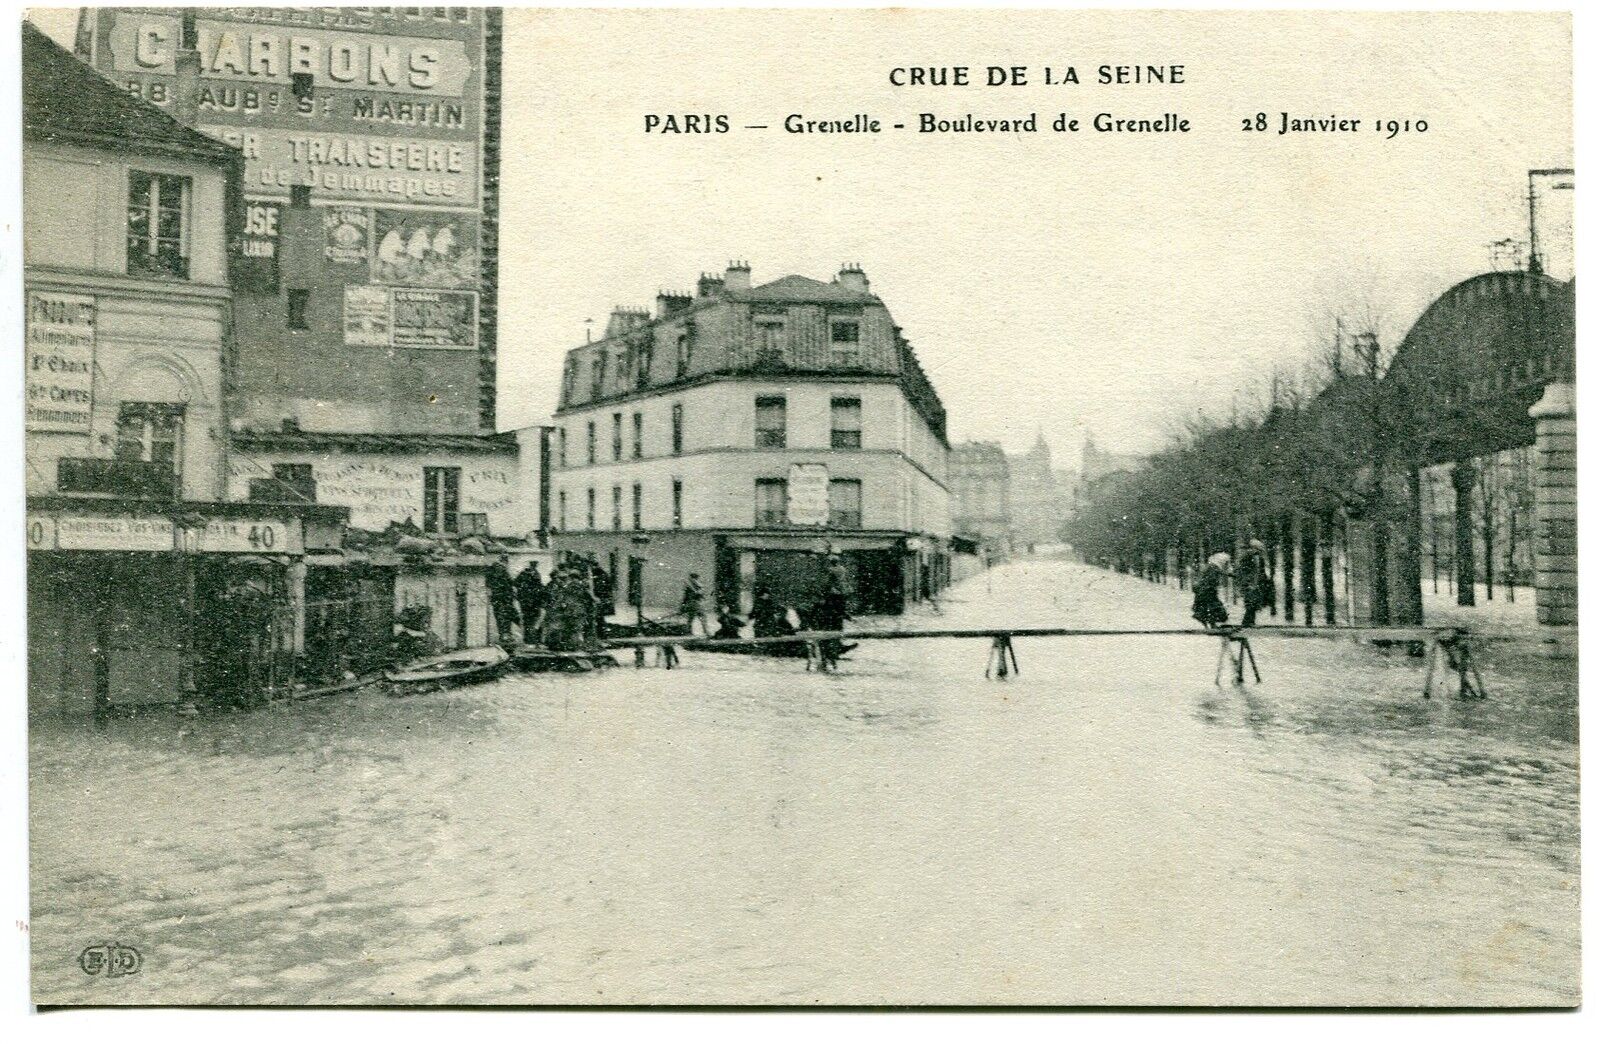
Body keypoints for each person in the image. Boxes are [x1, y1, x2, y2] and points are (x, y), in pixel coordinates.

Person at [485, 554, 520, 646]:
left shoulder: (492, 571)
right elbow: (511, 582)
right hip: (505, 598)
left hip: (497, 598)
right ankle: (506, 634)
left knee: (500, 616)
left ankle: (503, 634)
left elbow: (488, 584)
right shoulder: (503, 570)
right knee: (507, 616)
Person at [1238, 539, 1274, 628]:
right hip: (1249, 584)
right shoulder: (1247, 557)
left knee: (1254, 603)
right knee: (1251, 603)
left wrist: (1264, 580)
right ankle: (1247, 623)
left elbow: (1261, 571)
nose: (1258, 551)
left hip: (1256, 583)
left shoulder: (1259, 558)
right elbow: (1243, 571)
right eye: (1257, 549)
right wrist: (1247, 582)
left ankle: (1250, 622)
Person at [1192, 552, 1231, 629]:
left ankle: (1208, 623)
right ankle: (1211, 624)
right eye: (1226, 562)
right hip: (1207, 591)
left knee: (1207, 608)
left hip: (1204, 591)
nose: (1226, 564)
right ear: (1222, 561)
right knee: (1214, 608)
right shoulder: (1214, 568)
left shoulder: (1212, 566)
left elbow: (1218, 573)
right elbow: (1211, 579)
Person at [514, 560, 546, 644]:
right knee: (534, 620)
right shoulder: (536, 574)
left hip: (525, 602)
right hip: (534, 602)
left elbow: (515, 583)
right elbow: (539, 586)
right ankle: (534, 640)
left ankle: (528, 639)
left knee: (527, 620)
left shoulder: (523, 573)